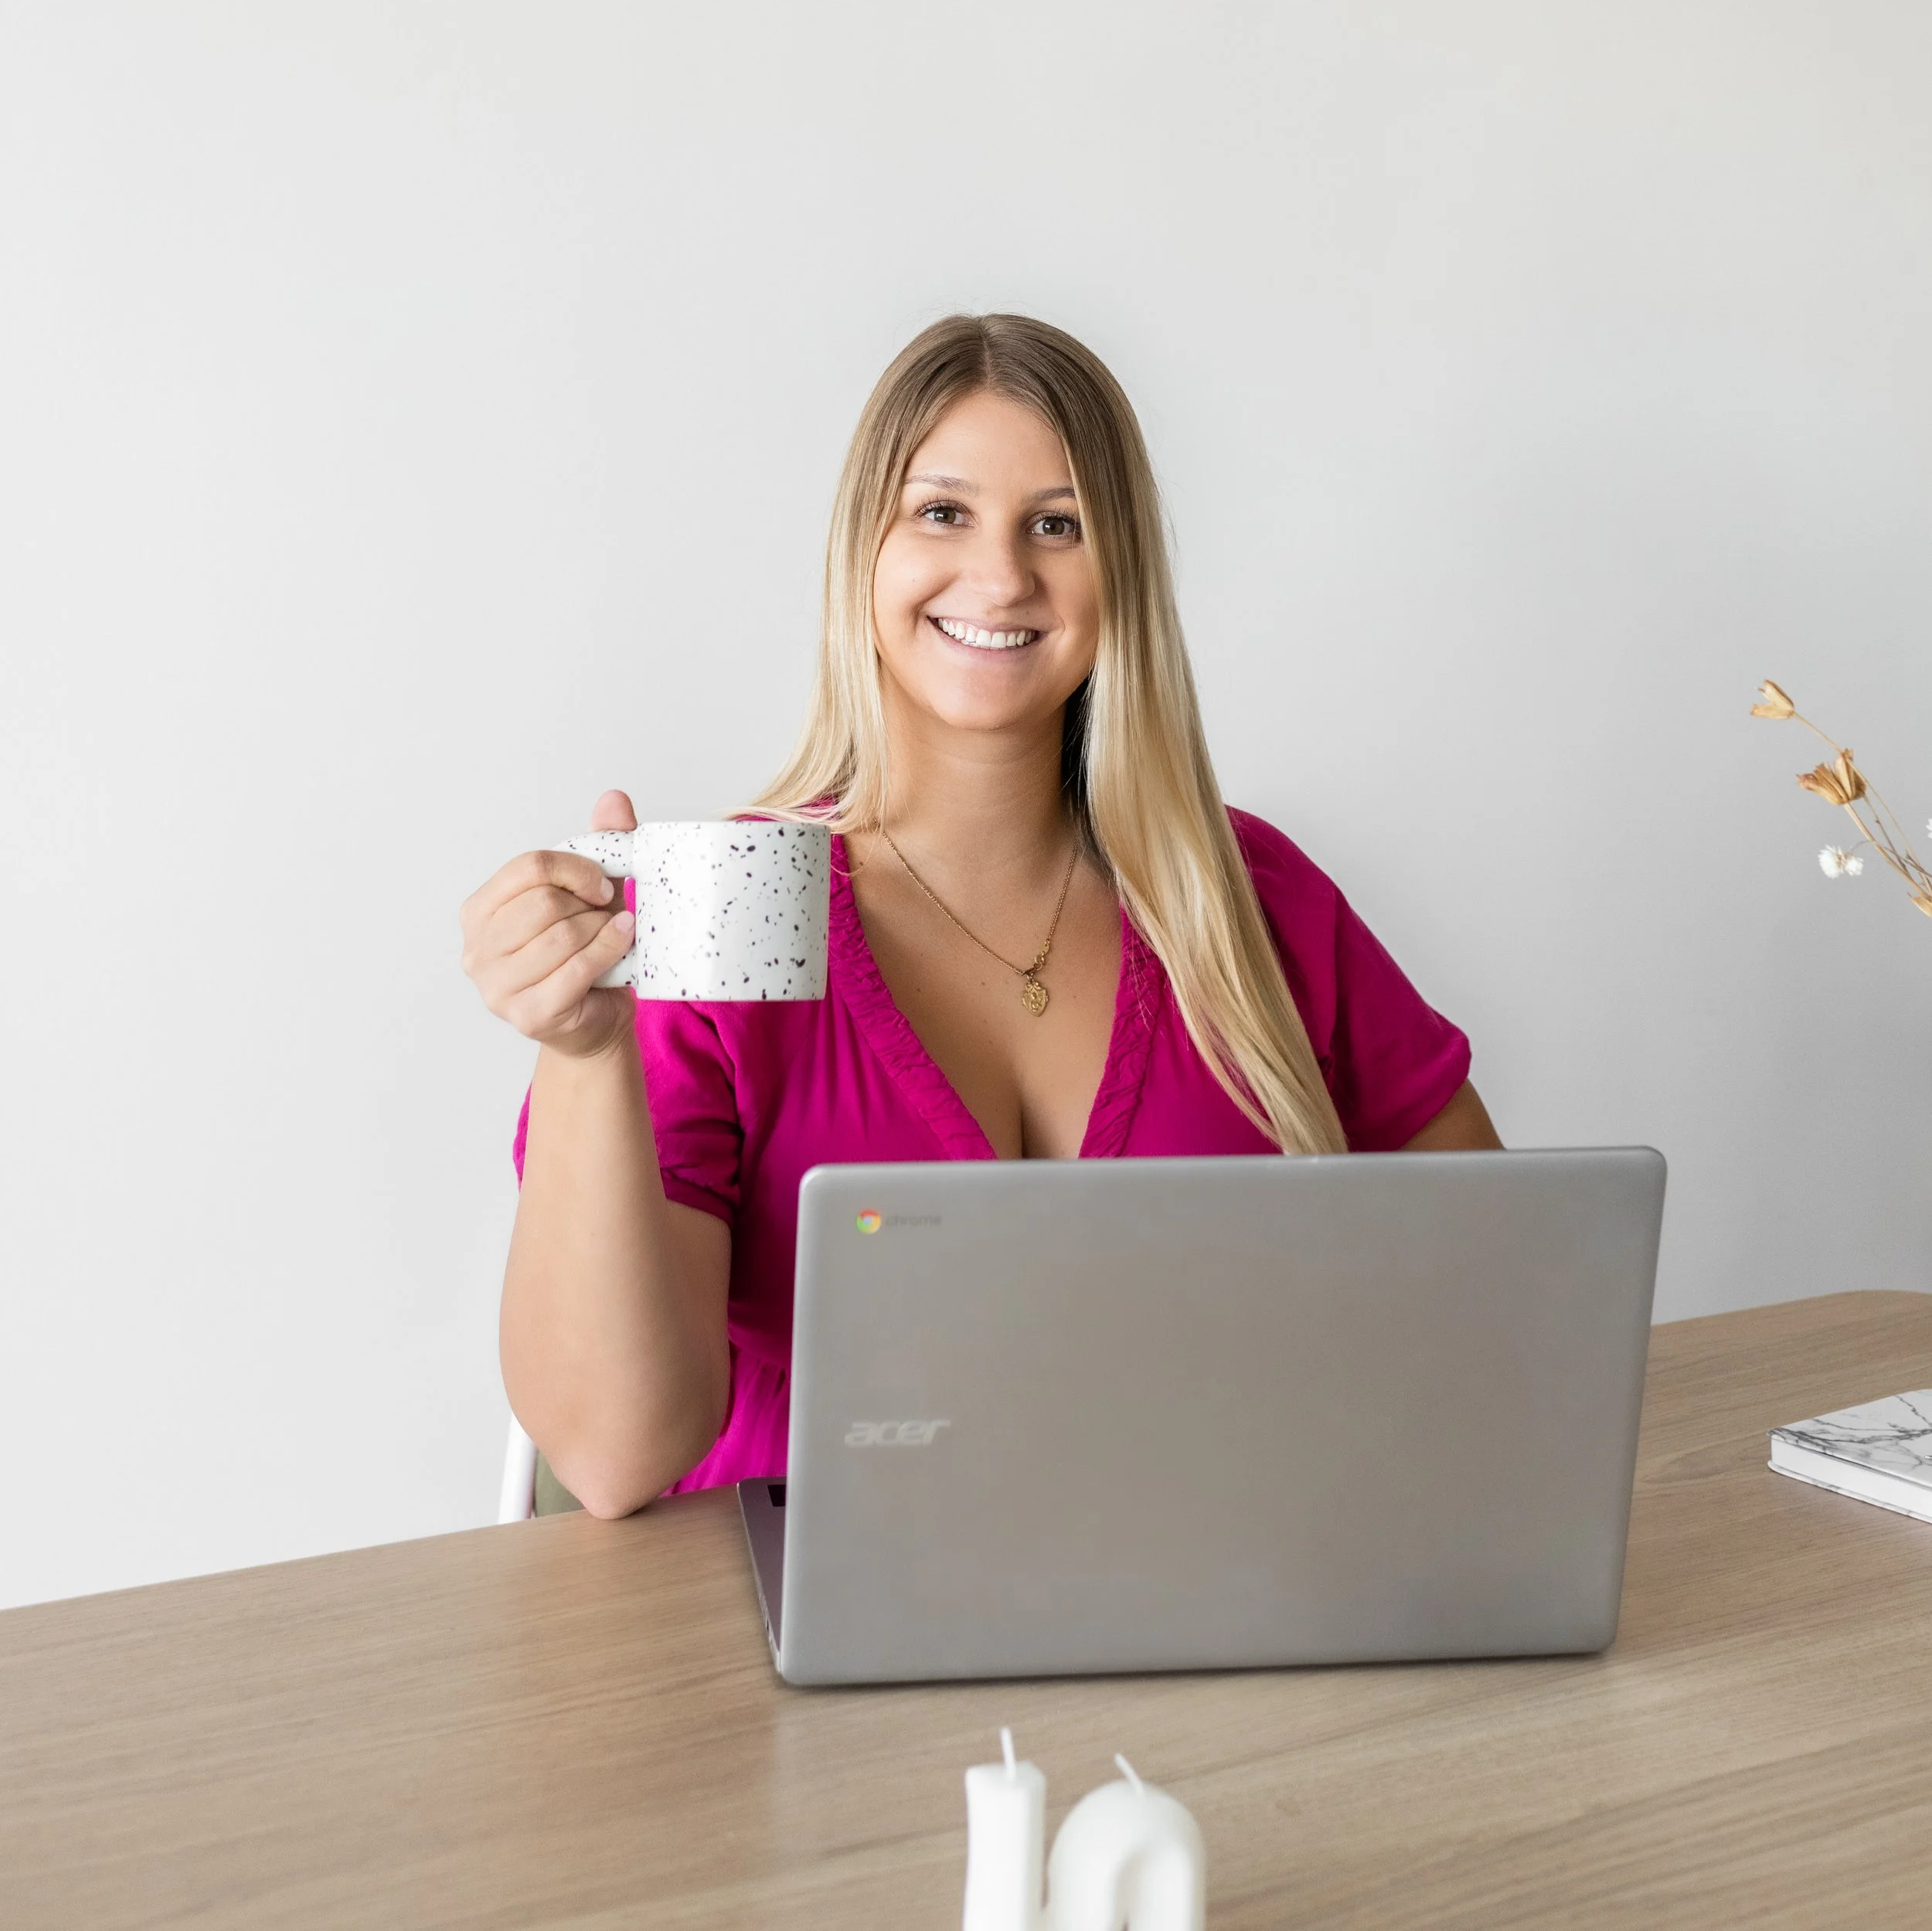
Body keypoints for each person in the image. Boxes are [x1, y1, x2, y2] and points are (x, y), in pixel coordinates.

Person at [460, 315, 1499, 1518]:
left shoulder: (1246, 895)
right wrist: (584, 1050)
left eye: (1056, 524)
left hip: (1199, 1603)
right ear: (867, 550)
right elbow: (614, 1456)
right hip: (774, 1650)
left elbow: (1491, 1288)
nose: (1002, 577)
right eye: (942, 513)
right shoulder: (722, 916)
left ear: (1124, 573)